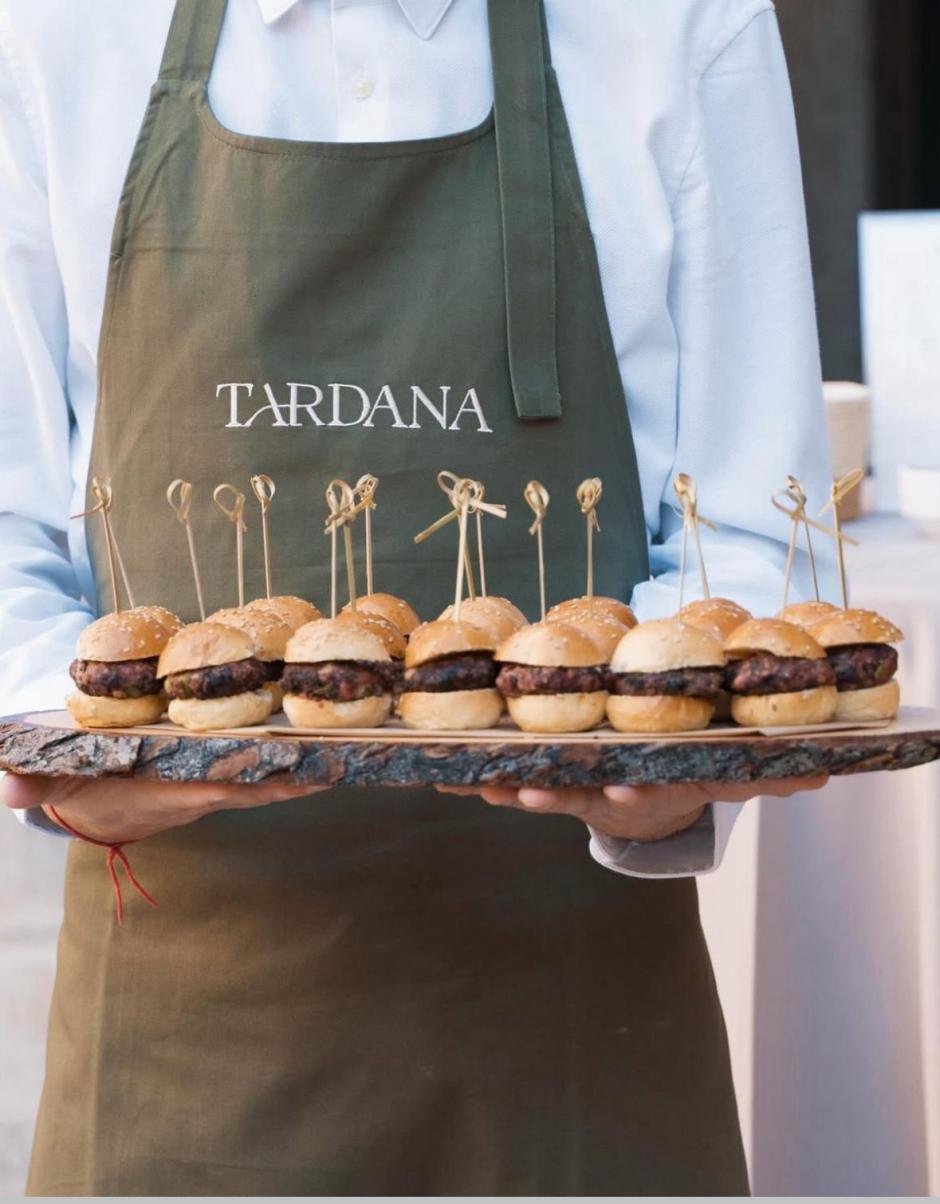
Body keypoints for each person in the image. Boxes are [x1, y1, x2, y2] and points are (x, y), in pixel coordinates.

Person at [0, 0, 833, 1194]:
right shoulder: (51, 31)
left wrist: (668, 773)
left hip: (578, 1033)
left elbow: (755, 532)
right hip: (177, 1039)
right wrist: (77, 749)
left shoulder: (683, 22)